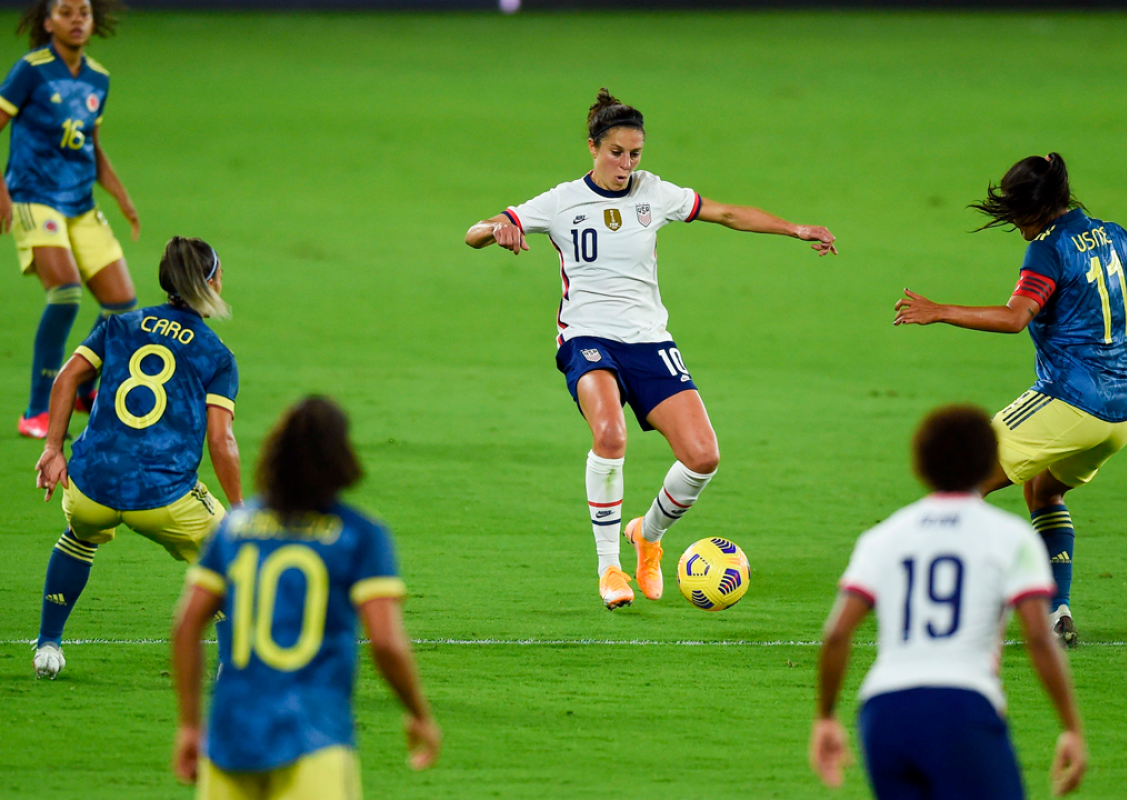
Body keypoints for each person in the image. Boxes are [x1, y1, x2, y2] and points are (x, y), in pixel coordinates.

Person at [465, 88, 838, 609]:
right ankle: (608, 569)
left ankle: (648, 535)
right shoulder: (561, 201)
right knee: (610, 434)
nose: (626, 165)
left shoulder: (654, 193)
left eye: (635, 154)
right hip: (587, 337)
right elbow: (474, 233)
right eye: (617, 153)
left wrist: (795, 228)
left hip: (649, 339)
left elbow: (727, 214)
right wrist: (497, 228)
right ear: (593, 147)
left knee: (703, 457)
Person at [894, 153, 1127, 647]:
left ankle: (951, 608)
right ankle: (1058, 612)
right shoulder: (1113, 235)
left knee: (961, 482)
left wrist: (940, 310)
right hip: (1123, 413)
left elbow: (1016, 317)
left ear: (1034, 207)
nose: (1015, 224)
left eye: (1016, 213)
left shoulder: (1048, 249)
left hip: (1071, 400)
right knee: (1043, 492)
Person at [809, 404, 1087, 800]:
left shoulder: (884, 537)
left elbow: (837, 634)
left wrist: (825, 717)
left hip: (883, 713)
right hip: (962, 706)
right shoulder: (1010, 537)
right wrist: (1072, 728)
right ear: (990, 462)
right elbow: (1040, 639)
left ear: (919, 466)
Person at [172, 396, 441, 799]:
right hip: (314, 738)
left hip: (230, 741)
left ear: (274, 455)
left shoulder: (234, 529)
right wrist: (419, 714)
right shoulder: (360, 534)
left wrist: (190, 726)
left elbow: (186, 625)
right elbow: (386, 642)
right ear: (340, 458)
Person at [32, 236, 241, 679]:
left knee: (78, 536)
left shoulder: (120, 325)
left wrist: (52, 449)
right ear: (209, 283)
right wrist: (240, 508)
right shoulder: (217, 355)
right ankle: (232, 667)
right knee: (228, 553)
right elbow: (221, 441)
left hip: (90, 487)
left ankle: (47, 645)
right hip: (163, 497)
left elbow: (67, 379)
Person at [1, 0, 140, 438]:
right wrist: (2, 192)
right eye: (66, 12)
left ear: (93, 22)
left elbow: (90, 146)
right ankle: (36, 410)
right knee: (65, 295)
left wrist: (120, 195)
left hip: (80, 202)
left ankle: (82, 389)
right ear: (48, 22)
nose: (77, 19)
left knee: (122, 305)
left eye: (84, 12)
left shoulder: (99, 77)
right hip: (33, 197)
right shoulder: (31, 70)